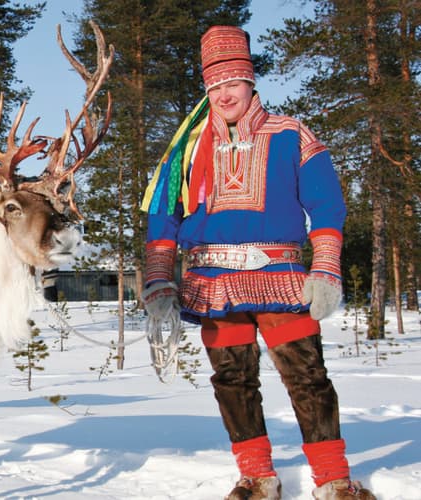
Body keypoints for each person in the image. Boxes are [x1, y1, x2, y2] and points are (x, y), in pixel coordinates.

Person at [140, 26, 375, 500]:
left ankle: (333, 479)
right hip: (212, 284)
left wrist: (326, 267)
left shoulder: (291, 134)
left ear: (250, 82)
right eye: (214, 86)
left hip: (279, 280)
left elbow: (327, 204)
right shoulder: (185, 150)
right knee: (232, 379)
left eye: (232, 83)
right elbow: (164, 216)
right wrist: (160, 279)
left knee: (307, 377)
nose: (224, 94)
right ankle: (257, 476)